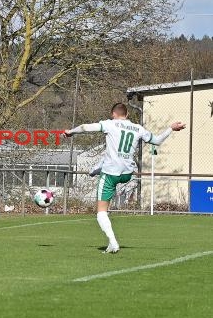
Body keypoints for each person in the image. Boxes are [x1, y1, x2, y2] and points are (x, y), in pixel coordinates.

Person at [64, 103, 185, 253]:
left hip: (110, 174)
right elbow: (157, 141)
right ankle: (97, 168)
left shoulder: (110, 124)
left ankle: (113, 242)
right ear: (127, 115)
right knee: (109, 155)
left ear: (113, 114)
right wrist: (171, 128)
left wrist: (71, 132)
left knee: (101, 212)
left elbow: (84, 127)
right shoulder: (138, 128)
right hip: (127, 174)